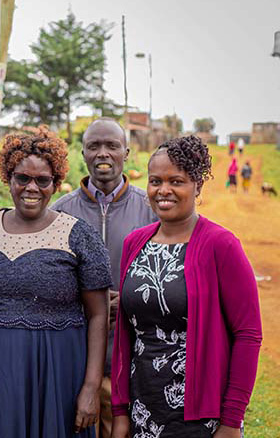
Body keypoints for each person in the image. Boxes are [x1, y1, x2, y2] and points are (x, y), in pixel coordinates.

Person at [0, 126, 110, 437]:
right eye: (22, 178)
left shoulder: (78, 235)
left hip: (57, 377)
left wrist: (91, 387)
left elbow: (99, 315)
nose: (31, 187)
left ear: (55, 183)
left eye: (42, 180)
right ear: (9, 178)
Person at [111, 136, 262, 438]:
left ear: (197, 187)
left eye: (176, 181)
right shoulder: (135, 243)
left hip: (200, 415)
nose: (163, 190)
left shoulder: (221, 245)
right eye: (155, 181)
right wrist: (121, 410)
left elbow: (248, 334)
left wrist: (231, 421)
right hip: (144, 407)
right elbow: (124, 333)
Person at [51, 118, 157, 438]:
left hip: (133, 354)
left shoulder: (151, 208)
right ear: (82, 152)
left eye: (112, 146)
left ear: (126, 151)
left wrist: (127, 298)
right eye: (94, 146)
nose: (103, 153)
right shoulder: (60, 213)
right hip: (74, 354)